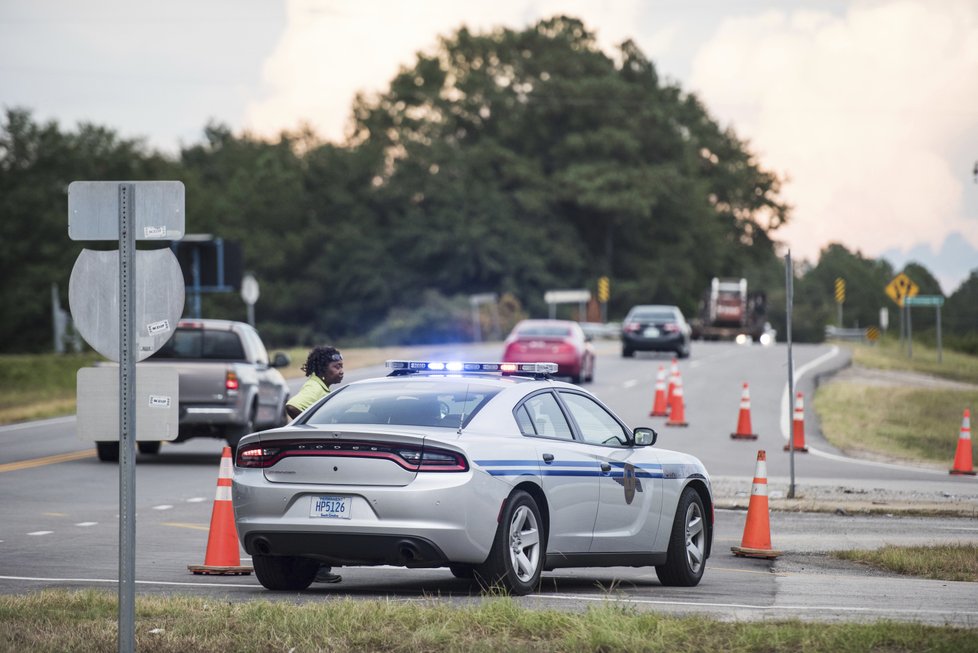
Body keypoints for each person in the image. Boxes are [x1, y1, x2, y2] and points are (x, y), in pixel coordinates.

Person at [285, 345, 345, 583]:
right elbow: (293, 405)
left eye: (342, 366)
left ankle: (321, 566)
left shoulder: (323, 387)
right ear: (322, 368)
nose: (341, 371)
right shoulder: (313, 387)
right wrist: (311, 430)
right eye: (336, 367)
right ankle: (319, 567)